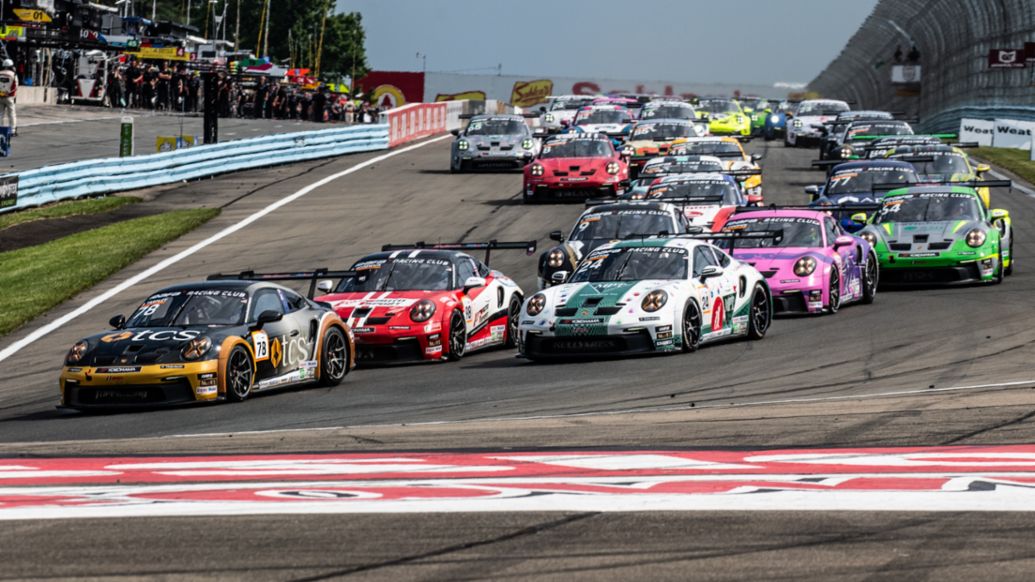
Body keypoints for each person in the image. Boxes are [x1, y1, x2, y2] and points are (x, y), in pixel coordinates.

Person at [0, 59, 18, 136]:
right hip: (9, 97)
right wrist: (8, 93)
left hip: (0, 97)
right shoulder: (13, 75)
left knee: (0, 114)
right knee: (11, 114)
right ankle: (12, 131)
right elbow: (15, 87)